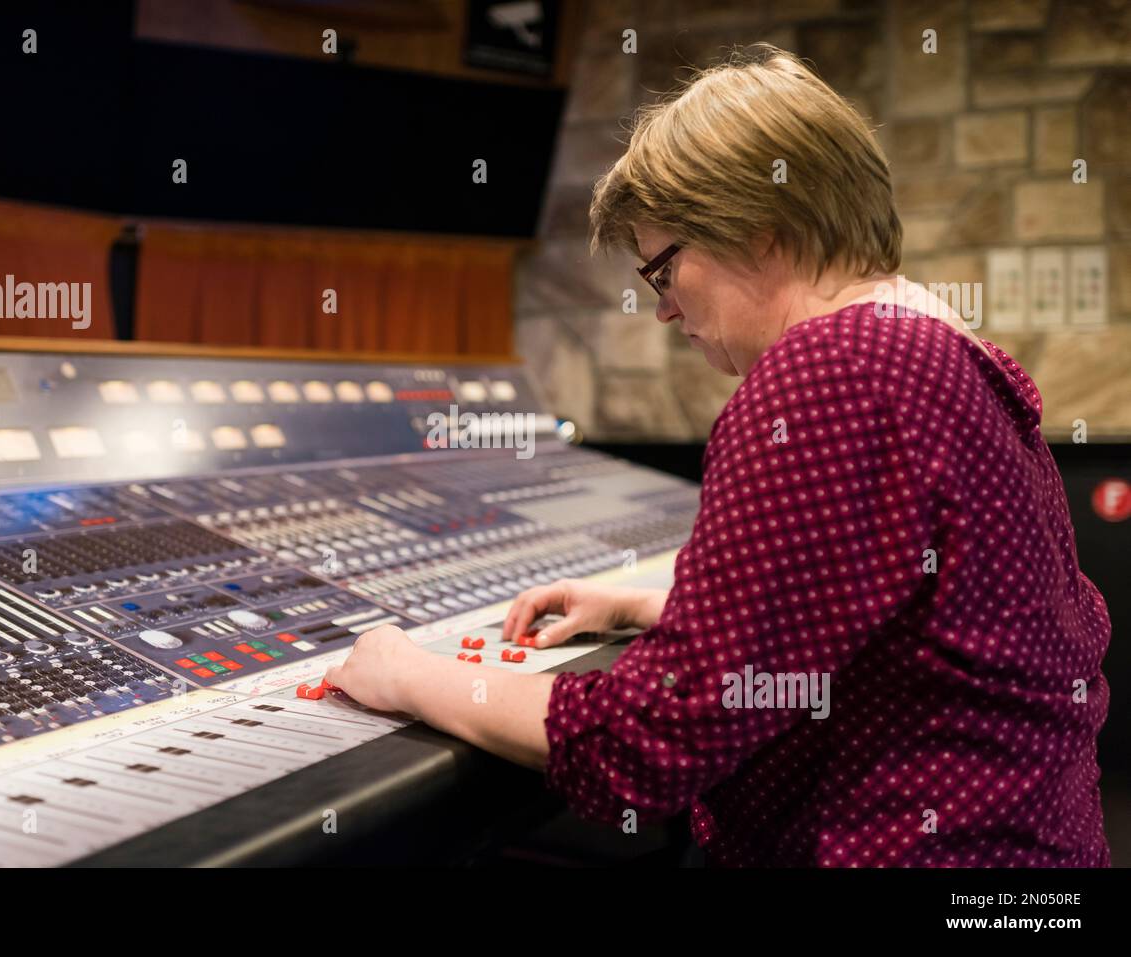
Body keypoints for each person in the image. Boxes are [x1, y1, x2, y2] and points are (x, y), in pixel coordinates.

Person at [326, 45, 1111, 866]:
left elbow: (649, 741)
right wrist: (650, 609)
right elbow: (915, 629)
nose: (665, 311)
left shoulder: (828, 373)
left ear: (757, 225)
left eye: (663, 268)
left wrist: (410, 675)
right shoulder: (939, 352)